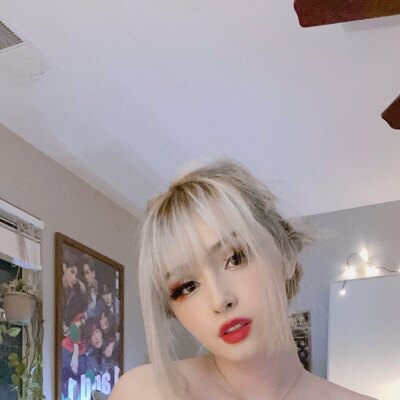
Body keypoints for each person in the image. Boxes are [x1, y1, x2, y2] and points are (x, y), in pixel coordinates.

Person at [110, 159, 376, 400]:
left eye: (236, 258)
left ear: (286, 254)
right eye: (187, 286)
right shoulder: (145, 392)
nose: (219, 300)